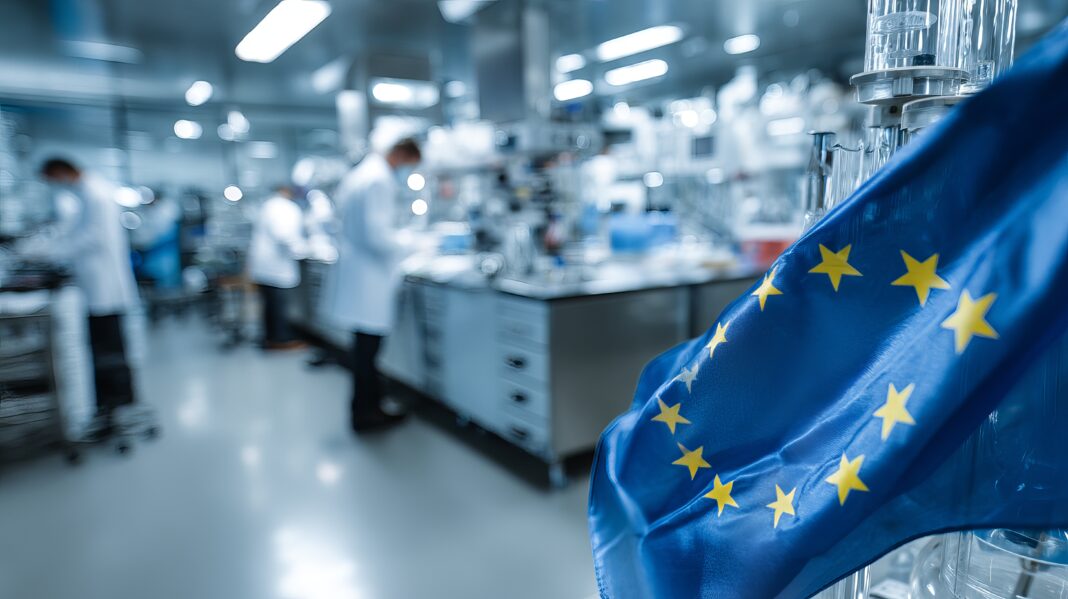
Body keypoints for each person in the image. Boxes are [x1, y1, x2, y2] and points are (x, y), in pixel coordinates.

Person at [33, 158, 140, 431]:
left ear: (60, 171)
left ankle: (118, 403)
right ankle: (112, 401)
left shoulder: (96, 193)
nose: (54, 184)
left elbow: (94, 237)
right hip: (95, 282)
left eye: (52, 178)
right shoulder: (86, 192)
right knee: (106, 344)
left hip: (103, 283)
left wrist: (53, 252)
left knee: (110, 346)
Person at [324, 138, 421, 433]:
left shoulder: (360, 176)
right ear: (402, 154)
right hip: (370, 276)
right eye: (410, 164)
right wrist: (412, 242)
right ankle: (367, 413)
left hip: (360, 273)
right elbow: (377, 237)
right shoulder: (378, 180)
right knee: (367, 352)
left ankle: (367, 407)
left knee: (364, 350)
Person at [248, 186, 308, 350]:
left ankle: (271, 338)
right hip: (275, 265)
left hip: (265, 265)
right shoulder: (284, 208)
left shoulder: (269, 205)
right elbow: (284, 235)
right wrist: (302, 249)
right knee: (278, 306)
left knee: (270, 305)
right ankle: (280, 340)